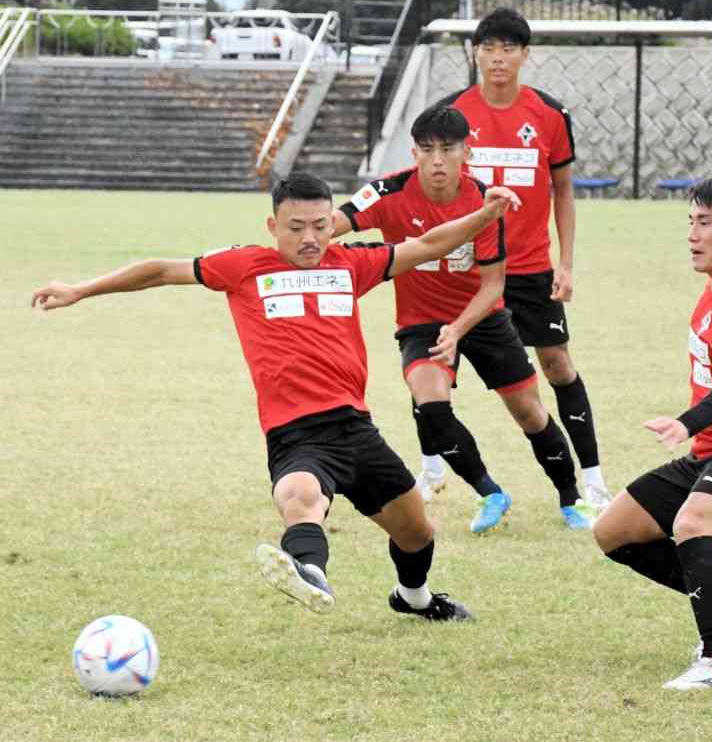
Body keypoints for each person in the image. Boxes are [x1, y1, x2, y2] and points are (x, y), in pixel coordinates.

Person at [31, 172, 519, 621]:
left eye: (320, 226)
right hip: (296, 431)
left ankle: (414, 598)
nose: (310, 238)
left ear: (333, 224)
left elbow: (428, 243)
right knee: (300, 495)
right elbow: (160, 270)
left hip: (356, 427)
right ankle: (309, 570)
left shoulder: (353, 263)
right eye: (295, 227)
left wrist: (484, 215)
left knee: (418, 532)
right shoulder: (242, 266)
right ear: (273, 225)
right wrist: (80, 289)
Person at [334, 104, 586, 533]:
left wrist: (458, 329)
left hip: (483, 318)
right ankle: (490, 493)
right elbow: (335, 223)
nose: (437, 160)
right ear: (413, 153)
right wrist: (305, 234)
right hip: (421, 323)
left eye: (447, 149)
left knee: (530, 413)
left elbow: (493, 286)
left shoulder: (484, 201)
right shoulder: (387, 192)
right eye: (426, 150)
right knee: (430, 405)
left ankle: (572, 500)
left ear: (466, 153)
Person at [592, 169, 712, 690]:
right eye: (691, 222)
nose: (693, 235)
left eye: (706, 222)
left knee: (693, 524)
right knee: (613, 532)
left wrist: (686, 422)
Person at [432, 6, 611, 517]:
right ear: (475, 53)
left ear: (525, 55)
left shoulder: (550, 115)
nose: (497, 58)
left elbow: (563, 190)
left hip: (530, 268)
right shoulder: (453, 114)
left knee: (557, 365)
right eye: (488, 48)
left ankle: (594, 481)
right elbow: (436, 186)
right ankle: (432, 472)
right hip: (470, 267)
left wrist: (567, 262)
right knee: (437, 365)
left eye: (508, 48)